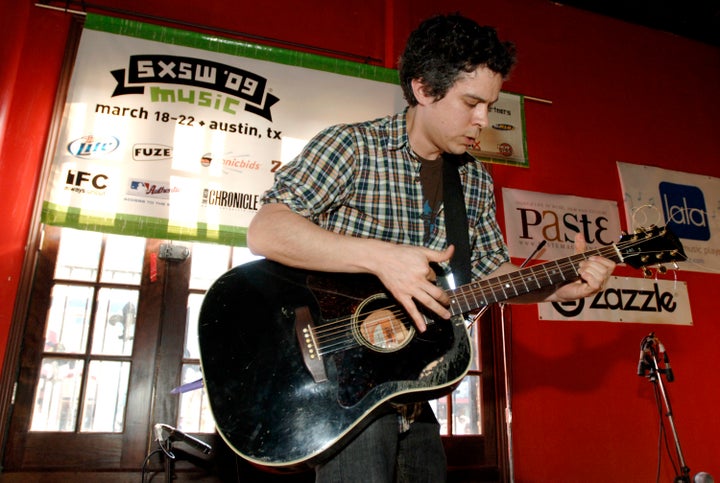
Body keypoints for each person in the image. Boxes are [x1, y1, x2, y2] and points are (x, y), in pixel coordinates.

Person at [247, 13, 616, 482]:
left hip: (416, 401)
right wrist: (381, 258)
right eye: (471, 102)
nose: (484, 119)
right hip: (344, 397)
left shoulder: (474, 179)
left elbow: (490, 276)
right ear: (423, 89)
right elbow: (266, 230)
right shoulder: (353, 147)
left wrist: (557, 289)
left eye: (490, 104)